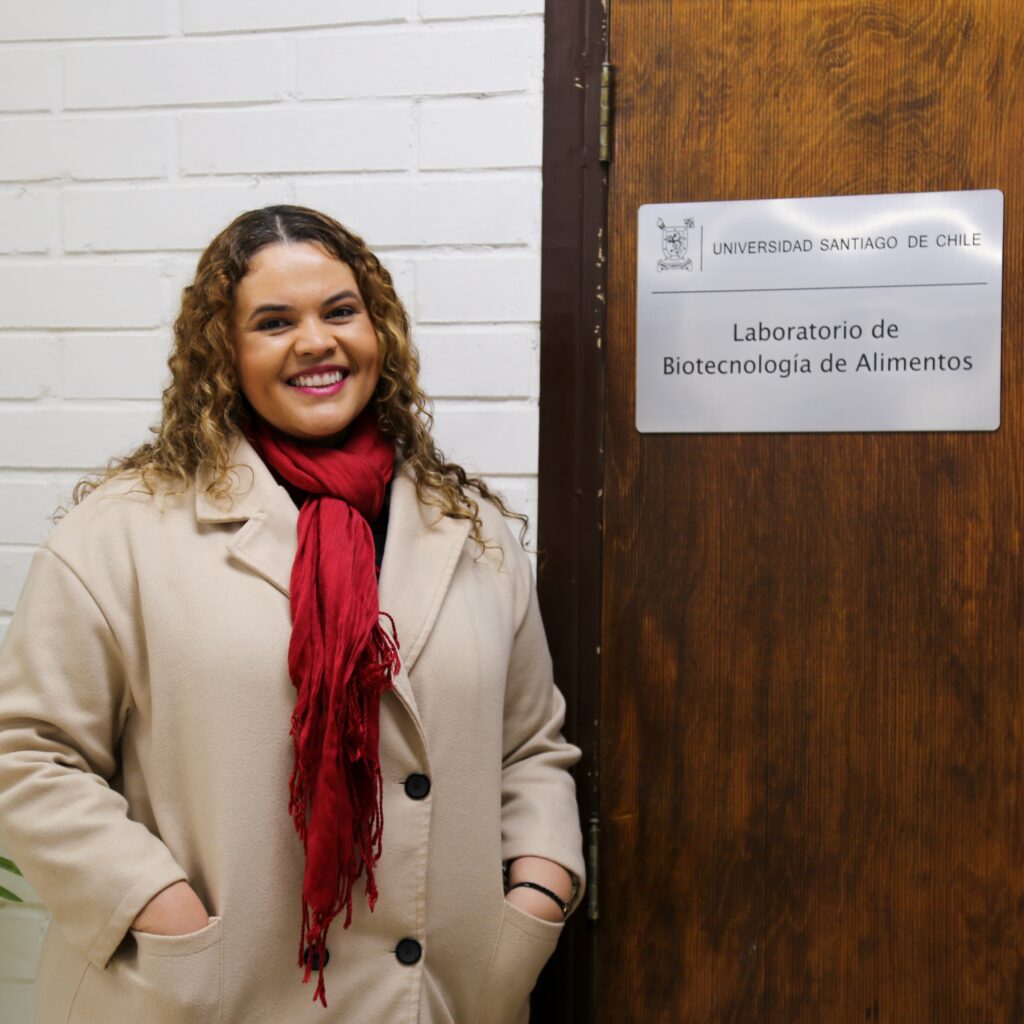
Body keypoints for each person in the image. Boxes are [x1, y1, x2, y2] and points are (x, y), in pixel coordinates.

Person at [0, 205, 585, 1024]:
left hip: (440, 996)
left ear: (377, 329)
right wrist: (156, 903)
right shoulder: (121, 531)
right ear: (224, 354)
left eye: (340, 312)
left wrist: (539, 890)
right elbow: (28, 755)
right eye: (274, 322)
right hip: (215, 995)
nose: (316, 342)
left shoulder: (471, 530)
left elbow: (529, 747)